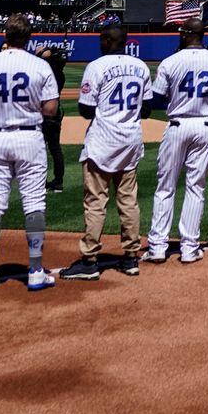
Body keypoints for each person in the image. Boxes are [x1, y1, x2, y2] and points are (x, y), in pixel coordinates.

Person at [0, 16, 61, 292]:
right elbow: (51, 110)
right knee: (34, 203)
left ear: (6, 35)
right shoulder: (40, 65)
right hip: (30, 137)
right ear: (29, 37)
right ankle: (35, 271)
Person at [60, 25, 150, 281]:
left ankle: (89, 261)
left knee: (96, 201)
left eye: (102, 39)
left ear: (110, 41)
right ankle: (131, 257)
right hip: (130, 141)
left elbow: (86, 110)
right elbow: (147, 109)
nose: (99, 42)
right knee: (128, 200)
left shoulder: (97, 66)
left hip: (103, 141)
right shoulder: (141, 66)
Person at [145, 18, 208, 264]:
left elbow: (156, 99)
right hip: (204, 126)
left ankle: (158, 247)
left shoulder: (170, 62)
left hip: (177, 125)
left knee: (166, 187)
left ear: (185, 34)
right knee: (196, 188)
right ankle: (189, 247)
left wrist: (178, 99)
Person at [40, 46, 69, 193]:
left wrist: (44, 52)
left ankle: (41, 182)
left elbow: (41, 57)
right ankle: (58, 183)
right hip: (56, 113)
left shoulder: (46, 73)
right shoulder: (60, 75)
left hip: (43, 111)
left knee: (41, 149)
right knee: (56, 149)